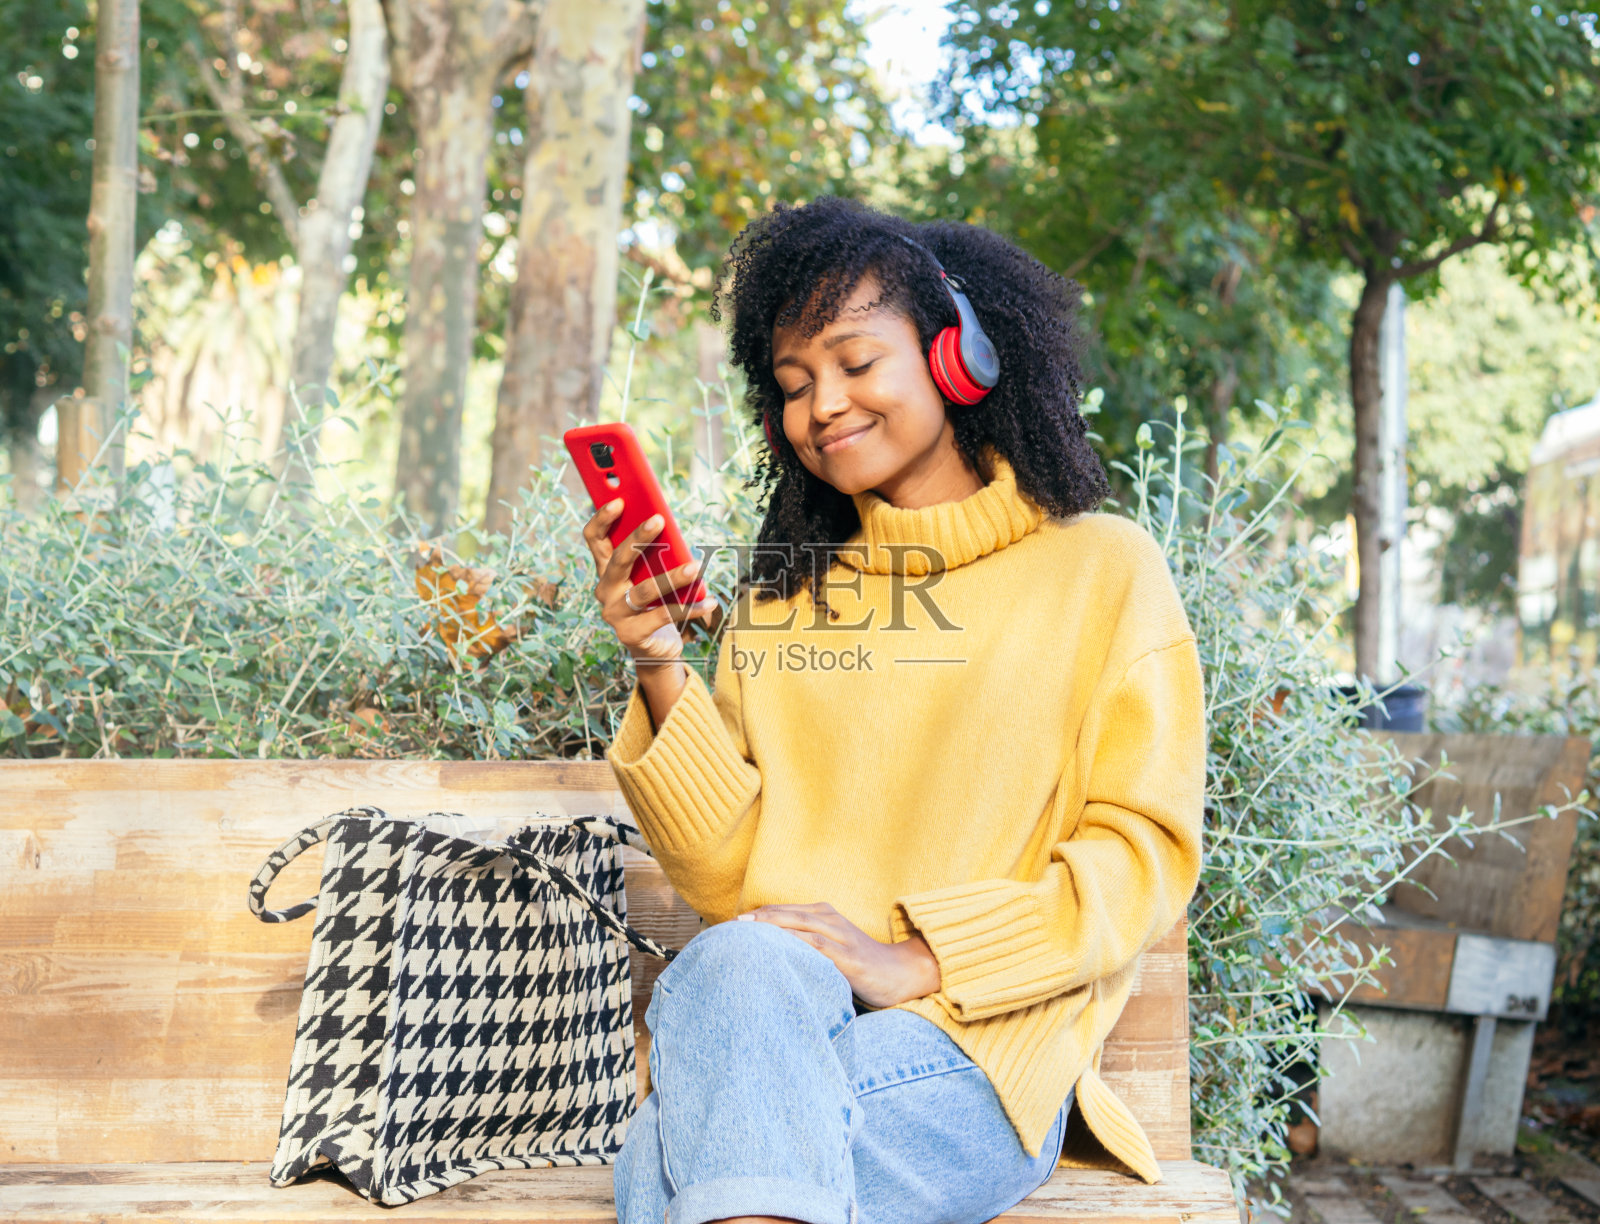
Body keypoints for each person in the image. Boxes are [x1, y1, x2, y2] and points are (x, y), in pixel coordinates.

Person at [580, 196, 1206, 1224]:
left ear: (959, 358)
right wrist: (657, 665)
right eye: (792, 386)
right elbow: (727, 880)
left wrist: (921, 958)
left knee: (671, 1162)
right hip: (771, 1028)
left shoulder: (1102, 571)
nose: (822, 405)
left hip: (974, 1051)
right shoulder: (784, 601)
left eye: (855, 363)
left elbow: (1140, 851)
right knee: (736, 962)